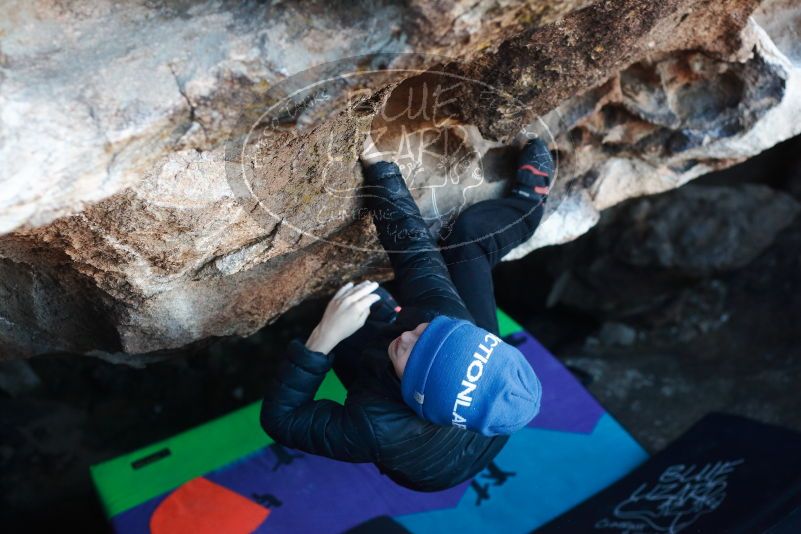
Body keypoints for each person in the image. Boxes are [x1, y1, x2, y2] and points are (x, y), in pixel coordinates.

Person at [260, 134, 554, 491]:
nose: (410, 332)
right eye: (428, 332)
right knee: (467, 241)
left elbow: (282, 419)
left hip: (433, 469)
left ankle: (363, 328)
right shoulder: (445, 318)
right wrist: (380, 167)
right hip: (479, 393)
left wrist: (322, 339)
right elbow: (414, 249)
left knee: (348, 336)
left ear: (415, 394)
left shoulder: (376, 427)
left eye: (414, 351)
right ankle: (526, 207)